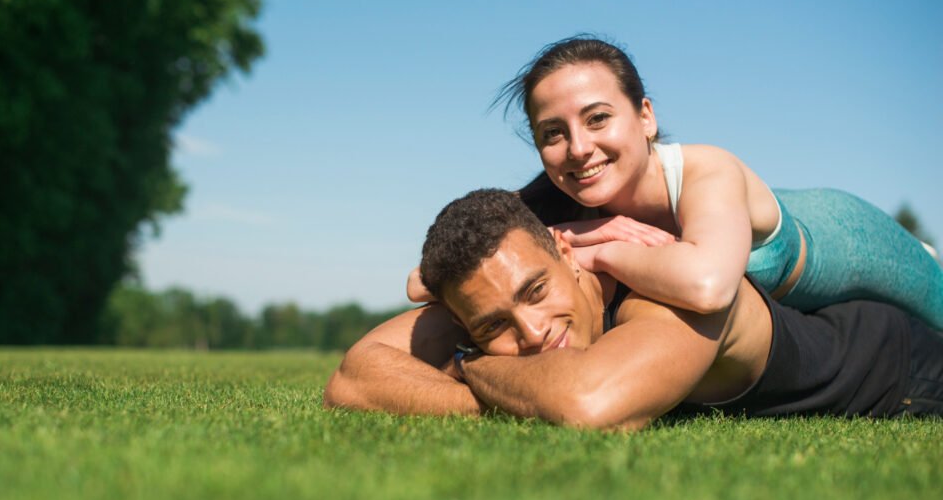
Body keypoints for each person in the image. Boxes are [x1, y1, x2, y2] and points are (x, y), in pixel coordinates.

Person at [407, 36, 943, 330]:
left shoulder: (708, 170)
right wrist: (581, 236)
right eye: (554, 133)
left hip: (850, 239)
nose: (578, 148)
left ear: (644, 117)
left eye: (597, 118)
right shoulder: (551, 200)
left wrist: (595, 253)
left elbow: (707, 287)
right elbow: (422, 281)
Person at [327, 189, 943, 428]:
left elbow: (587, 404)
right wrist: (501, 382)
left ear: (571, 254)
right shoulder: (493, 297)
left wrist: (471, 363)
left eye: (537, 291)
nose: (533, 332)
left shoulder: (658, 290)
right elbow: (356, 374)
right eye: (493, 326)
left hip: (906, 373)